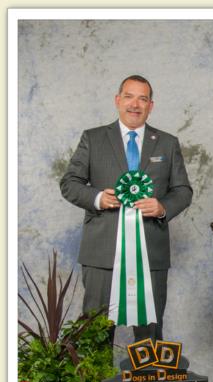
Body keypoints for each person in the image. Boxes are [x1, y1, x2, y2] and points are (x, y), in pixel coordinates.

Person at [60, 75, 192, 345]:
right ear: (117, 100)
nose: (135, 104)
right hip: (100, 253)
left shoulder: (167, 143)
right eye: (129, 96)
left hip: (151, 254)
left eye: (143, 98)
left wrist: (162, 206)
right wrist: (97, 197)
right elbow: (69, 183)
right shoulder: (93, 138)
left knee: (150, 336)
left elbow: (183, 191)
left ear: (151, 105)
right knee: (95, 334)